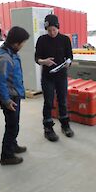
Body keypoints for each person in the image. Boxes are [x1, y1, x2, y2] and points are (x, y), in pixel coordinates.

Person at [35, 14, 74, 142]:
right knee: (49, 102)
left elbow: (70, 56)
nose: (52, 32)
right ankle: (48, 128)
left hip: (61, 75)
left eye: (54, 30)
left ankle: (65, 125)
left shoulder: (65, 39)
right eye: (49, 30)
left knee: (62, 100)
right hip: (47, 76)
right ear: (46, 29)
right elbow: (37, 58)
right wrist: (43, 61)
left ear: (58, 27)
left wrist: (68, 62)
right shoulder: (41, 40)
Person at [0, 26, 30, 165]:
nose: (22, 46)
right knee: (11, 126)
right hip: (9, 98)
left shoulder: (11, 52)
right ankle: (6, 156)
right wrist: (6, 100)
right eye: (22, 43)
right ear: (16, 43)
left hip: (14, 95)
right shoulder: (4, 57)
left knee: (14, 124)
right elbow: (0, 82)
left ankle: (13, 145)